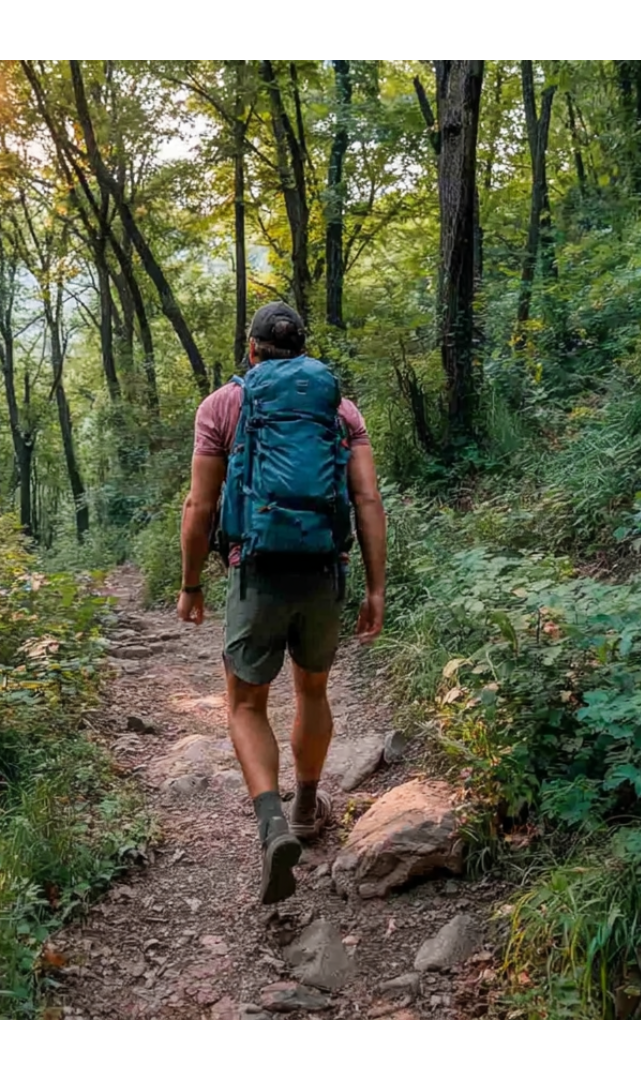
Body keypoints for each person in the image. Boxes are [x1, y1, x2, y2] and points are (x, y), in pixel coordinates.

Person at [176, 301, 387, 904]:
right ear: (303, 352)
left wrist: (191, 584)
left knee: (245, 702)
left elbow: (199, 507)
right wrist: (375, 588)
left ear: (251, 350)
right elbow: (368, 502)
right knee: (313, 691)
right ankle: (304, 806)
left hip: (256, 573)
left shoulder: (221, 405)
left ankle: (269, 824)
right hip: (323, 571)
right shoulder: (339, 410)